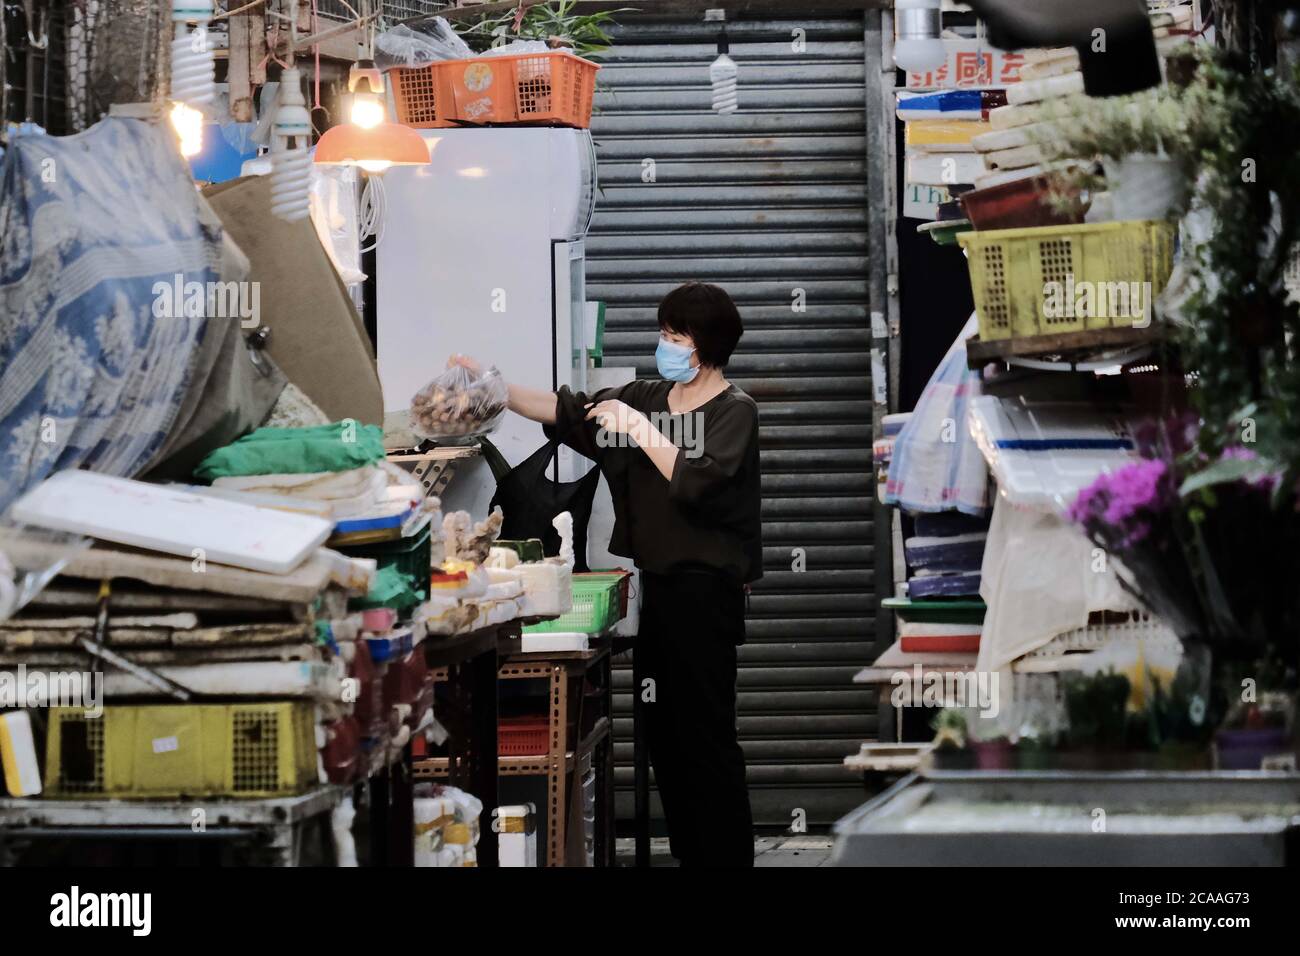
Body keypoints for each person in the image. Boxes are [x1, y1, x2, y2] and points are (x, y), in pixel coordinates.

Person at [450, 281, 760, 866]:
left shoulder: (733, 413)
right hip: (663, 593)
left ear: (706, 345)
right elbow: (567, 410)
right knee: (665, 740)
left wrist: (638, 428)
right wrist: (494, 386)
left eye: (675, 336)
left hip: (708, 598)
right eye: (663, 334)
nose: (664, 345)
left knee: (707, 740)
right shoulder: (647, 396)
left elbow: (699, 480)